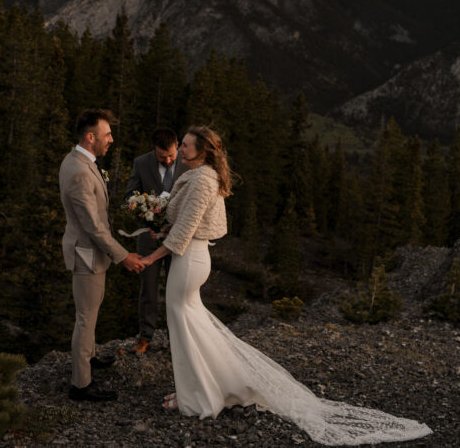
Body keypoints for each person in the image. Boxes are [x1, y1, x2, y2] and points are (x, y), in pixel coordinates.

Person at [142, 126, 432, 445]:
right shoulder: (202, 176)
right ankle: (198, 388)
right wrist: (162, 225)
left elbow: (185, 230)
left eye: (185, 146)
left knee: (183, 322)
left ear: (203, 152)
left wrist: (150, 258)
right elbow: (182, 220)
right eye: (181, 145)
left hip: (189, 259)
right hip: (192, 258)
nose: (180, 149)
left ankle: (199, 397)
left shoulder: (201, 180)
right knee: (191, 323)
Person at [59, 108, 145, 402]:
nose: (111, 140)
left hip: (90, 250)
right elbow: (93, 227)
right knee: (85, 317)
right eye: (107, 135)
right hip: (86, 253)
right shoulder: (80, 172)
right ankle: (81, 385)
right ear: (90, 136)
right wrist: (124, 256)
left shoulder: (82, 162)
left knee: (91, 311)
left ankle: (90, 357)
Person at [123, 127, 187, 355]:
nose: (168, 160)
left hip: (179, 238)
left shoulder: (188, 164)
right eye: (163, 157)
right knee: (148, 290)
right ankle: (145, 337)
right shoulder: (141, 163)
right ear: (154, 150)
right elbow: (129, 196)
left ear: (178, 146)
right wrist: (146, 211)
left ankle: (175, 340)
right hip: (149, 238)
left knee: (176, 290)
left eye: (171, 155)